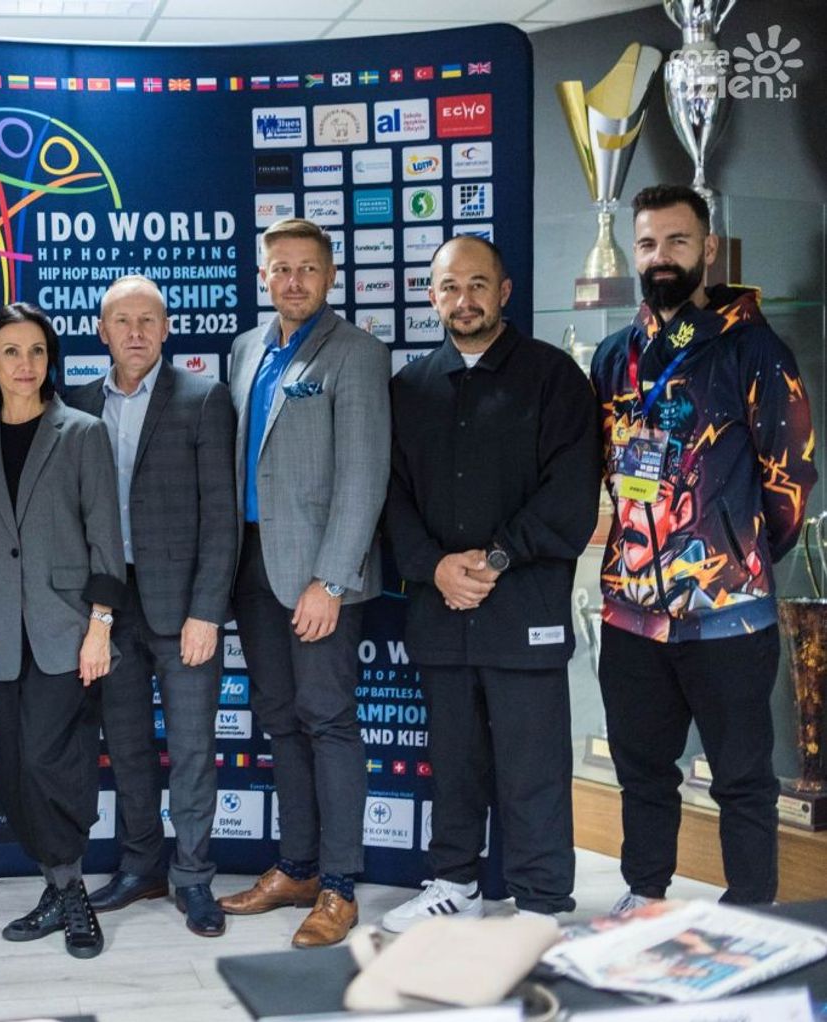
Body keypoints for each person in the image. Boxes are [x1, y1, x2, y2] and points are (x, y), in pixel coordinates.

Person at [590, 184, 816, 909]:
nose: (661, 257)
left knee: (742, 778)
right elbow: (605, 469)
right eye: (648, 243)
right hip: (631, 612)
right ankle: (644, 894)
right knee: (641, 770)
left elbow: (790, 477)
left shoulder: (754, 349)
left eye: (677, 241)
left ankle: (751, 908)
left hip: (727, 614)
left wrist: (737, 554)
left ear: (708, 249)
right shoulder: (614, 356)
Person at [382, 236, 602, 930]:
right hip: (441, 611)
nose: (464, 300)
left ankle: (540, 902)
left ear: (504, 292)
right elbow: (391, 499)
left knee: (533, 767)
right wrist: (435, 567)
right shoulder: (409, 388)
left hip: (524, 609)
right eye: (450, 287)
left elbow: (571, 493)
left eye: (478, 284)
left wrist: (496, 560)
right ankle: (454, 882)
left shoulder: (554, 377)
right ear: (432, 296)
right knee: (453, 762)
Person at [218, 217, 390, 947]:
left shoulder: (357, 352)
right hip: (253, 566)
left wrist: (332, 580)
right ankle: (296, 867)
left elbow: (364, 474)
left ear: (330, 276)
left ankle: (340, 886)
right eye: (281, 268)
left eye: (307, 269)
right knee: (281, 719)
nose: (293, 281)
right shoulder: (245, 349)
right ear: (263, 275)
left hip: (321, 573)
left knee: (327, 719)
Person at [0, 303, 127, 958]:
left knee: (52, 762)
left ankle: (73, 894)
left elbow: (105, 539)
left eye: (37, 351)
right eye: (11, 351)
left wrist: (100, 626)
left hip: (66, 627)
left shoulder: (82, 432)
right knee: (10, 766)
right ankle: (58, 886)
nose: (25, 365)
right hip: (0, 632)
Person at [64, 276, 238, 937]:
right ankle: (142, 866)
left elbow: (221, 517)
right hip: (108, 607)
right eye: (122, 320)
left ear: (166, 329)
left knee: (191, 748)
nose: (135, 332)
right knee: (128, 745)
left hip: (183, 605)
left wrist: (207, 612)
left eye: (148, 320)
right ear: (101, 331)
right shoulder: (79, 403)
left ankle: (193, 876)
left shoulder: (203, 398)